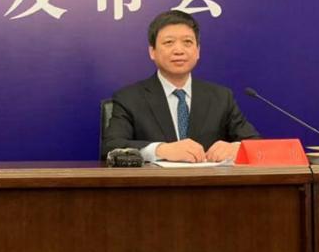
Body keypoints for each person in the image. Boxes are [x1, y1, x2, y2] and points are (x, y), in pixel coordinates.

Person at [102, 10, 258, 163]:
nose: (179, 50)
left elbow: (256, 144)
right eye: (169, 42)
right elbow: (110, 148)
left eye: (187, 42)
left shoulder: (221, 97)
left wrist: (236, 148)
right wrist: (160, 150)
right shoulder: (129, 98)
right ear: (152, 52)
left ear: (198, 51)